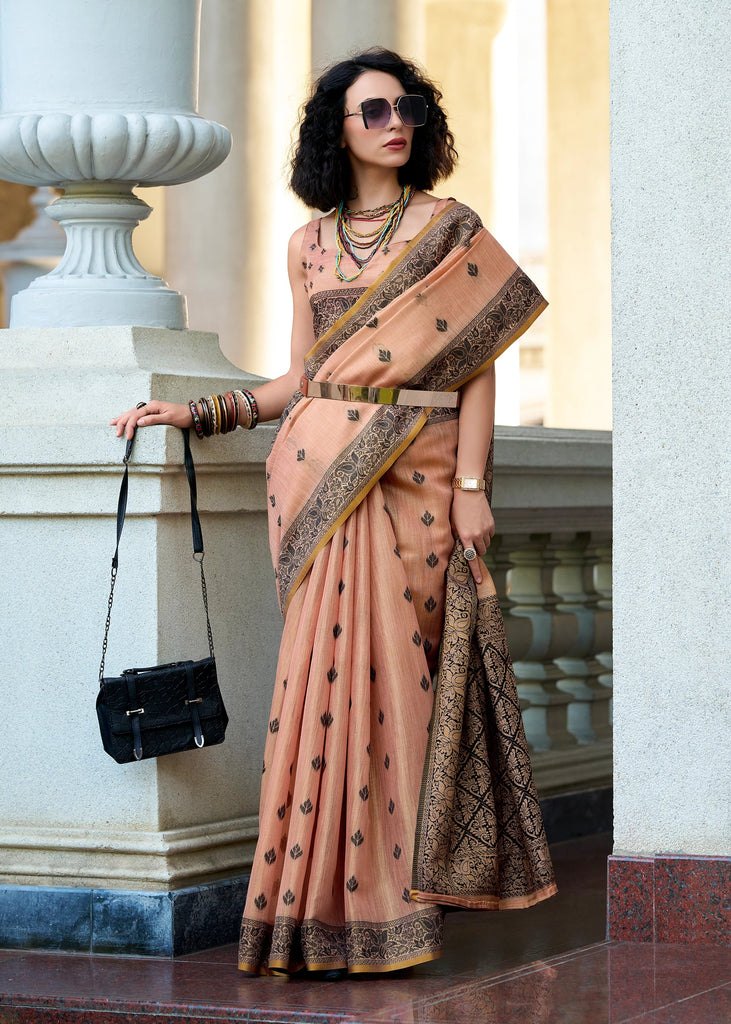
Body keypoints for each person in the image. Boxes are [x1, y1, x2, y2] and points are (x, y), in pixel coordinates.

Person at [112, 47, 557, 979]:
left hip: (423, 481)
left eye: (409, 109)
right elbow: (301, 379)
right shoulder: (306, 244)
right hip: (319, 481)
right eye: (375, 110)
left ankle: (400, 910)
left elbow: (476, 363)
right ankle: (316, 918)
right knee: (322, 694)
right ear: (336, 130)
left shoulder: (448, 227)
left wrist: (473, 486)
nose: (399, 123)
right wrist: (199, 412)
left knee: (402, 690)